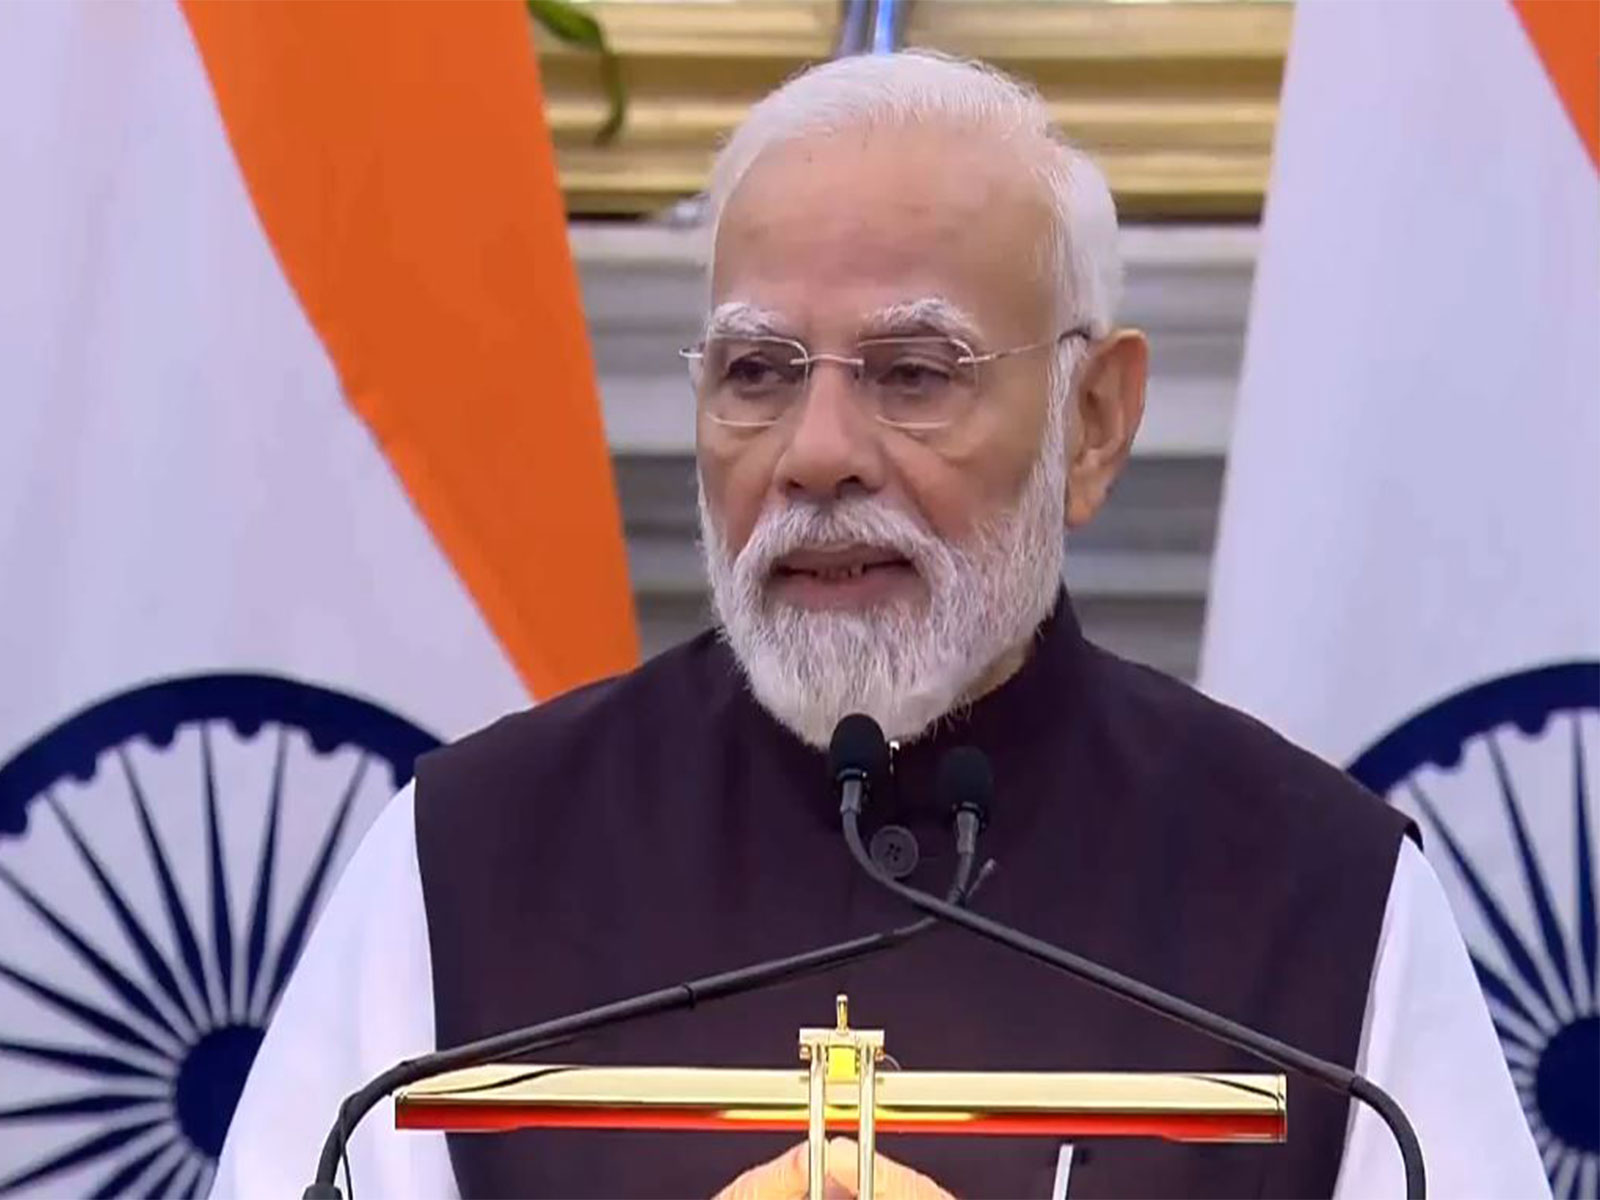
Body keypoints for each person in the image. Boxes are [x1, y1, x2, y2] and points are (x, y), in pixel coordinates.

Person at [213, 50, 1547, 1200]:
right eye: (757, 371)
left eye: (914, 374)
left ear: (1093, 421)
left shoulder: (1321, 897)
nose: (817, 454)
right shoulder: (465, 862)